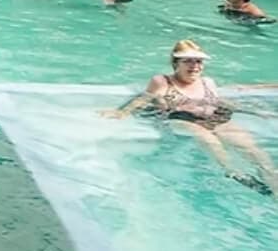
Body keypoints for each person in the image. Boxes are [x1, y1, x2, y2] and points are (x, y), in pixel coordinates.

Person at [103, 39, 278, 196]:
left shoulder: (208, 82)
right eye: (187, 61)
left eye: (198, 61)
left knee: (254, 150)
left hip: (213, 117)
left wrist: (254, 111)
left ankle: (274, 185)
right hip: (181, 117)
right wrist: (122, 112)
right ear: (175, 63)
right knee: (209, 140)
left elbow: (218, 102)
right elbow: (144, 98)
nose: (194, 66)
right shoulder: (162, 81)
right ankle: (233, 171)